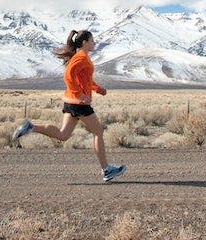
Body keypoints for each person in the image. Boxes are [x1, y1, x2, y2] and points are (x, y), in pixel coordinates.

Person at [13, 29, 126, 182]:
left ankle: (31, 127)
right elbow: (68, 76)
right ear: (85, 42)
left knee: (63, 135)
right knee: (98, 132)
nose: (94, 43)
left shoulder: (82, 57)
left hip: (71, 101)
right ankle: (106, 170)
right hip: (78, 103)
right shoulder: (81, 57)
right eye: (92, 41)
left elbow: (83, 79)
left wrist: (97, 89)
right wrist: (80, 95)